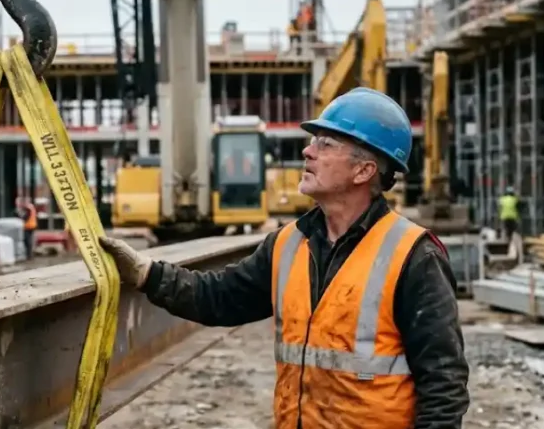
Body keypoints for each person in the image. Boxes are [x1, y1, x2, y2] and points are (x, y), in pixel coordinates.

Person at [99, 88, 470, 429]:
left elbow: (443, 383)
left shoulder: (413, 256)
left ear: (364, 170)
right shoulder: (289, 244)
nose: (307, 152)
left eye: (325, 144)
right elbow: (220, 298)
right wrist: (147, 274)